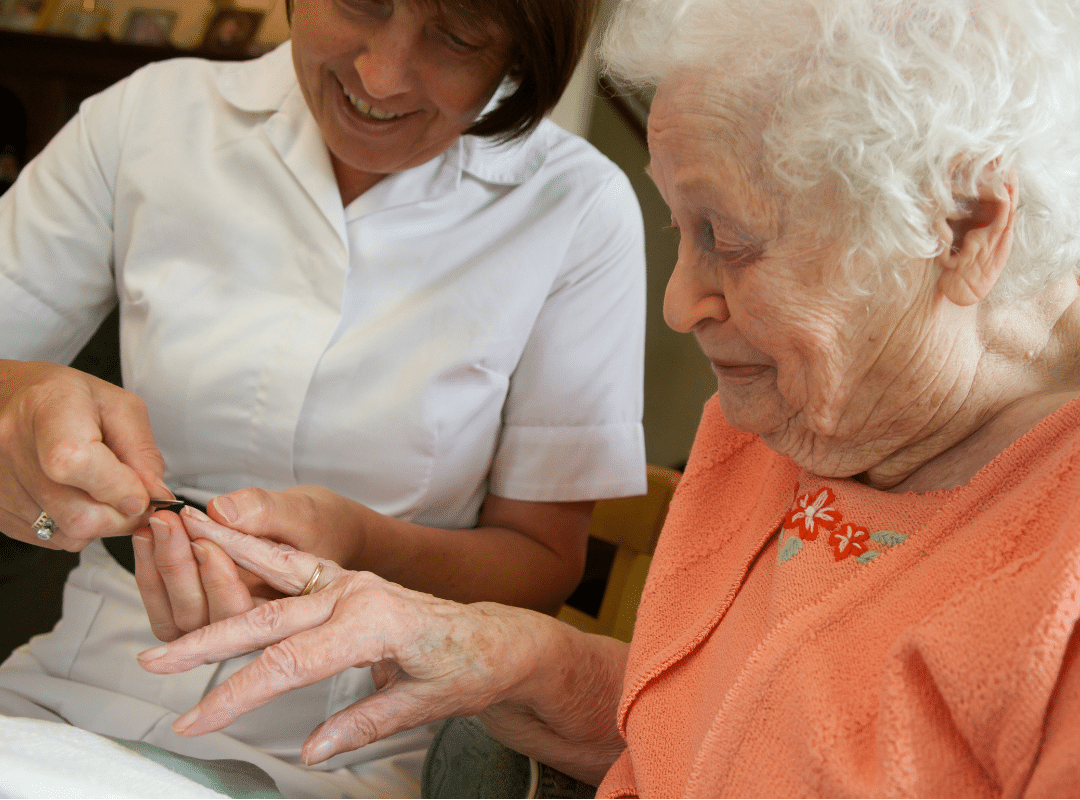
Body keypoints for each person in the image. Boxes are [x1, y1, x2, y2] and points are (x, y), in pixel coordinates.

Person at [136, 0, 1080, 795]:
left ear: (964, 230)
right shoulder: (787, 419)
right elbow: (713, 734)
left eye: (731, 240)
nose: (680, 302)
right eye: (682, 227)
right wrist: (466, 643)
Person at [0, 0, 647, 795]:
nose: (379, 75)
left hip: (349, 745)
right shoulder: (150, 117)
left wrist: (360, 546)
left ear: (523, 52)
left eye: (456, 38)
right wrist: (20, 425)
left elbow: (544, 562)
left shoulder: (576, 208)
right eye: (360, 3)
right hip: (68, 691)